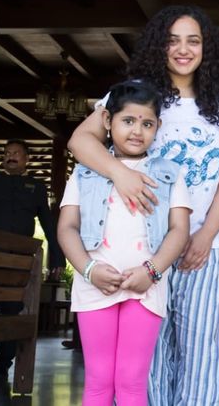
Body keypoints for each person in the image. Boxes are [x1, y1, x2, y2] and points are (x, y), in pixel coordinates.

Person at [68, 5, 219, 405]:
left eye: (193, 40)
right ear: (158, 46)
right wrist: (121, 173)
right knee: (144, 369)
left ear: (206, 49)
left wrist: (205, 234)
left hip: (203, 250)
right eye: (173, 40)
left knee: (203, 360)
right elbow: (80, 141)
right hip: (140, 250)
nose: (183, 49)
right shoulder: (134, 93)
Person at [58, 80, 191, 405]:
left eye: (147, 123)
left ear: (158, 126)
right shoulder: (85, 173)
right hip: (94, 286)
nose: (137, 131)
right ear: (107, 121)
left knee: (131, 382)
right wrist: (88, 270)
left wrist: (152, 270)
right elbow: (67, 227)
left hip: (145, 287)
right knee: (99, 381)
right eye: (128, 121)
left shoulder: (170, 174)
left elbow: (179, 230)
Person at [0, 138, 66, 382]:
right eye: (7, 153)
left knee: (12, 312)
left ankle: (2, 367)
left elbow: (48, 225)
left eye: (16, 153)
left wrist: (57, 258)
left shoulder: (36, 187)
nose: (11, 156)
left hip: (19, 260)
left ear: (26, 159)